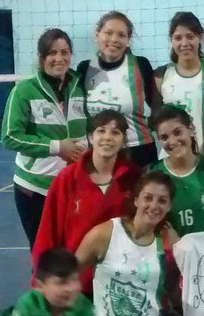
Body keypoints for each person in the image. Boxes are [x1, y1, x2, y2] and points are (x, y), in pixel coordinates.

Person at [76, 172, 193, 316]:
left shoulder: (168, 240)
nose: (154, 205)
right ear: (136, 199)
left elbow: (181, 286)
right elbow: (66, 278)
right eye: (148, 198)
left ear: (169, 206)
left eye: (162, 200)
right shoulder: (106, 234)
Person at [32, 110, 139, 295]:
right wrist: (40, 284)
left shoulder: (135, 178)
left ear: (123, 140)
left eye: (115, 132)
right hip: (75, 284)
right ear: (90, 136)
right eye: (101, 131)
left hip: (121, 284)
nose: (107, 137)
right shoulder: (67, 178)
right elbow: (47, 234)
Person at [2, 28, 88, 246]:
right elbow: (10, 137)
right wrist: (57, 147)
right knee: (43, 253)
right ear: (41, 58)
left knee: (74, 251)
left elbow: (92, 128)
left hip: (74, 185)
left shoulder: (81, 87)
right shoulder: (24, 91)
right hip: (34, 187)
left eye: (64, 52)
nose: (59, 58)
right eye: (52, 53)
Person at [75, 11, 160, 169]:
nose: (114, 39)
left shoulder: (140, 65)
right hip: (99, 152)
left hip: (138, 152)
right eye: (108, 33)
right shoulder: (84, 68)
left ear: (128, 40)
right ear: (97, 34)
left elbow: (157, 106)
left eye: (121, 35)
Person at [155, 12, 204, 160]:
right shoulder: (161, 75)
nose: (184, 43)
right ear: (171, 40)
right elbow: (157, 116)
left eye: (190, 36)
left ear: (200, 37)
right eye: (178, 38)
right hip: (172, 157)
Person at [149, 105, 204, 236]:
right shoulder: (152, 173)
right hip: (172, 249)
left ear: (191, 130)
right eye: (164, 137)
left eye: (178, 133)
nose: (172, 141)